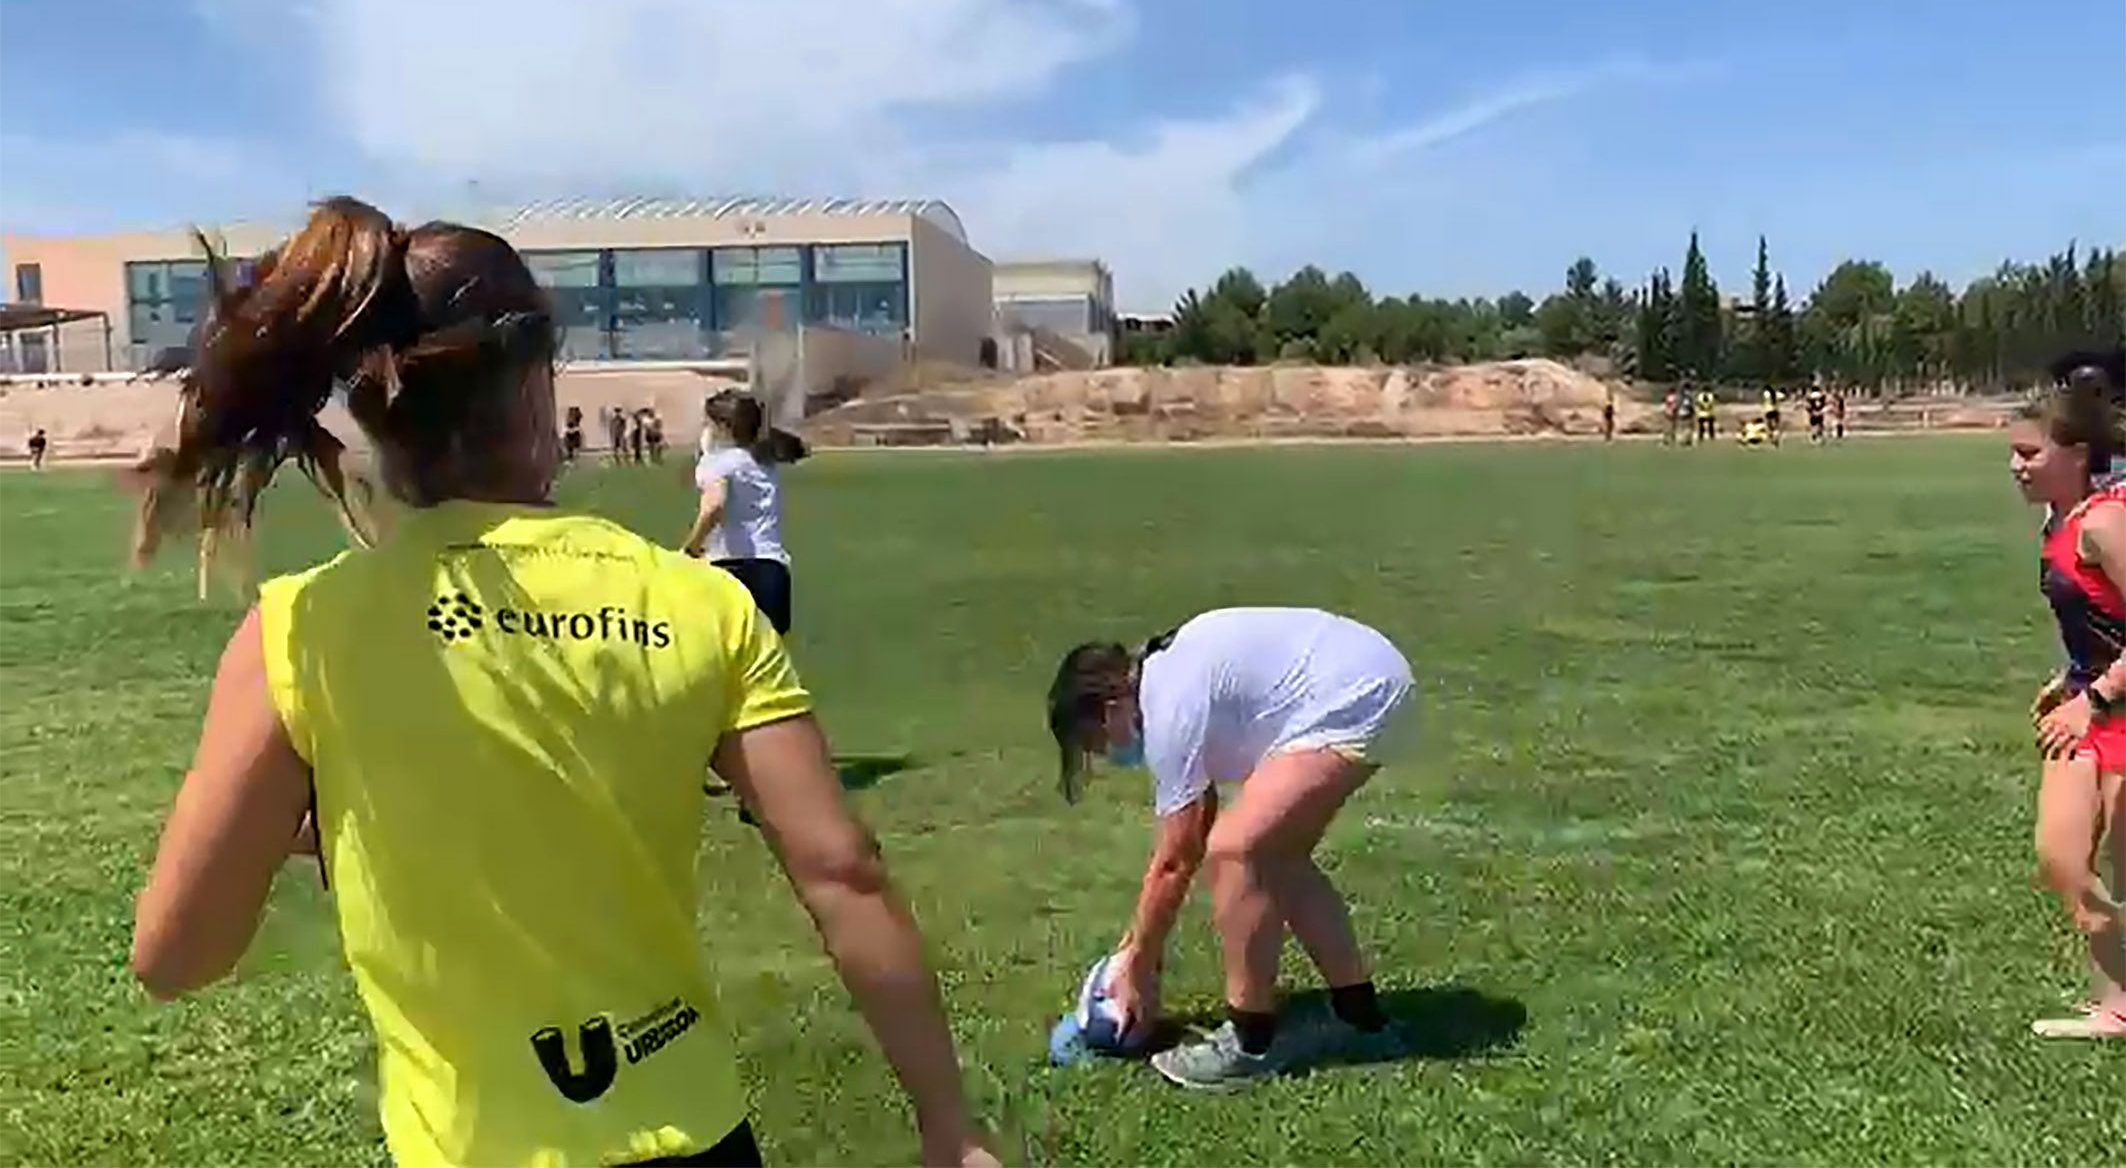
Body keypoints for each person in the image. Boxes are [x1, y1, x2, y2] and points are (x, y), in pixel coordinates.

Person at [124, 197, 997, 1165]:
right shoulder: (697, 604)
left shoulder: (298, 632)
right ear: (537, 389)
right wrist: (947, 1128)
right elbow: (844, 871)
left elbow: (175, 955)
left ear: (372, 409)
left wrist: (333, 822)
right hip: (691, 1136)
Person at [1046, 608, 1414, 1088]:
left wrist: (1136, 965)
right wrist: (1139, 946)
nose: (1106, 755)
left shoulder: (1168, 704)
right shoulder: (1168, 677)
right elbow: (1192, 831)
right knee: (1277, 857)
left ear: (1111, 706)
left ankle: (1249, 1042)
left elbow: (1178, 858)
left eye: (1096, 742)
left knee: (1238, 851)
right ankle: (1361, 1018)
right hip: (1370, 678)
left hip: (1356, 692)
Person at [2013, 369, 2126, 1039]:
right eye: (2013, 453)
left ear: (2077, 454)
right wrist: (2070, 678)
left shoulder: (2106, 524)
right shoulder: (2060, 523)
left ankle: (2118, 1006)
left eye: (2030, 453)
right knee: (2061, 855)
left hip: (2114, 707)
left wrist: (2098, 695)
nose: (2015, 466)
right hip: (2093, 704)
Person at [682, 391, 804, 635]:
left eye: (708, 422)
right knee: (768, 667)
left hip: (728, 570)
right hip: (772, 571)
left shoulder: (718, 463)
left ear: (723, 427)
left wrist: (690, 548)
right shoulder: (764, 459)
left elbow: (714, 504)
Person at [1805, 381, 1828, 445]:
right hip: (1820, 413)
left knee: (1813, 426)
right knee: (1820, 425)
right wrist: (1821, 411)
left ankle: (1814, 437)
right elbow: (1825, 404)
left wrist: (1812, 412)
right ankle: (1819, 437)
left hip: (1813, 414)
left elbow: (1807, 406)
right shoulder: (1822, 396)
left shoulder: (1809, 397)